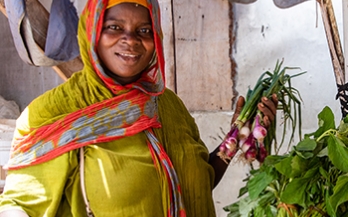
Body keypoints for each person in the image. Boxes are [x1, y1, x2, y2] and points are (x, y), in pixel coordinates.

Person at [0, 0, 278, 216]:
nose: (130, 40)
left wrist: (237, 137)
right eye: (114, 27)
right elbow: (19, 207)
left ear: (155, 36)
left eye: (143, 30)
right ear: (92, 31)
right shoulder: (53, 114)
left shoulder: (168, 106)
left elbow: (190, 189)